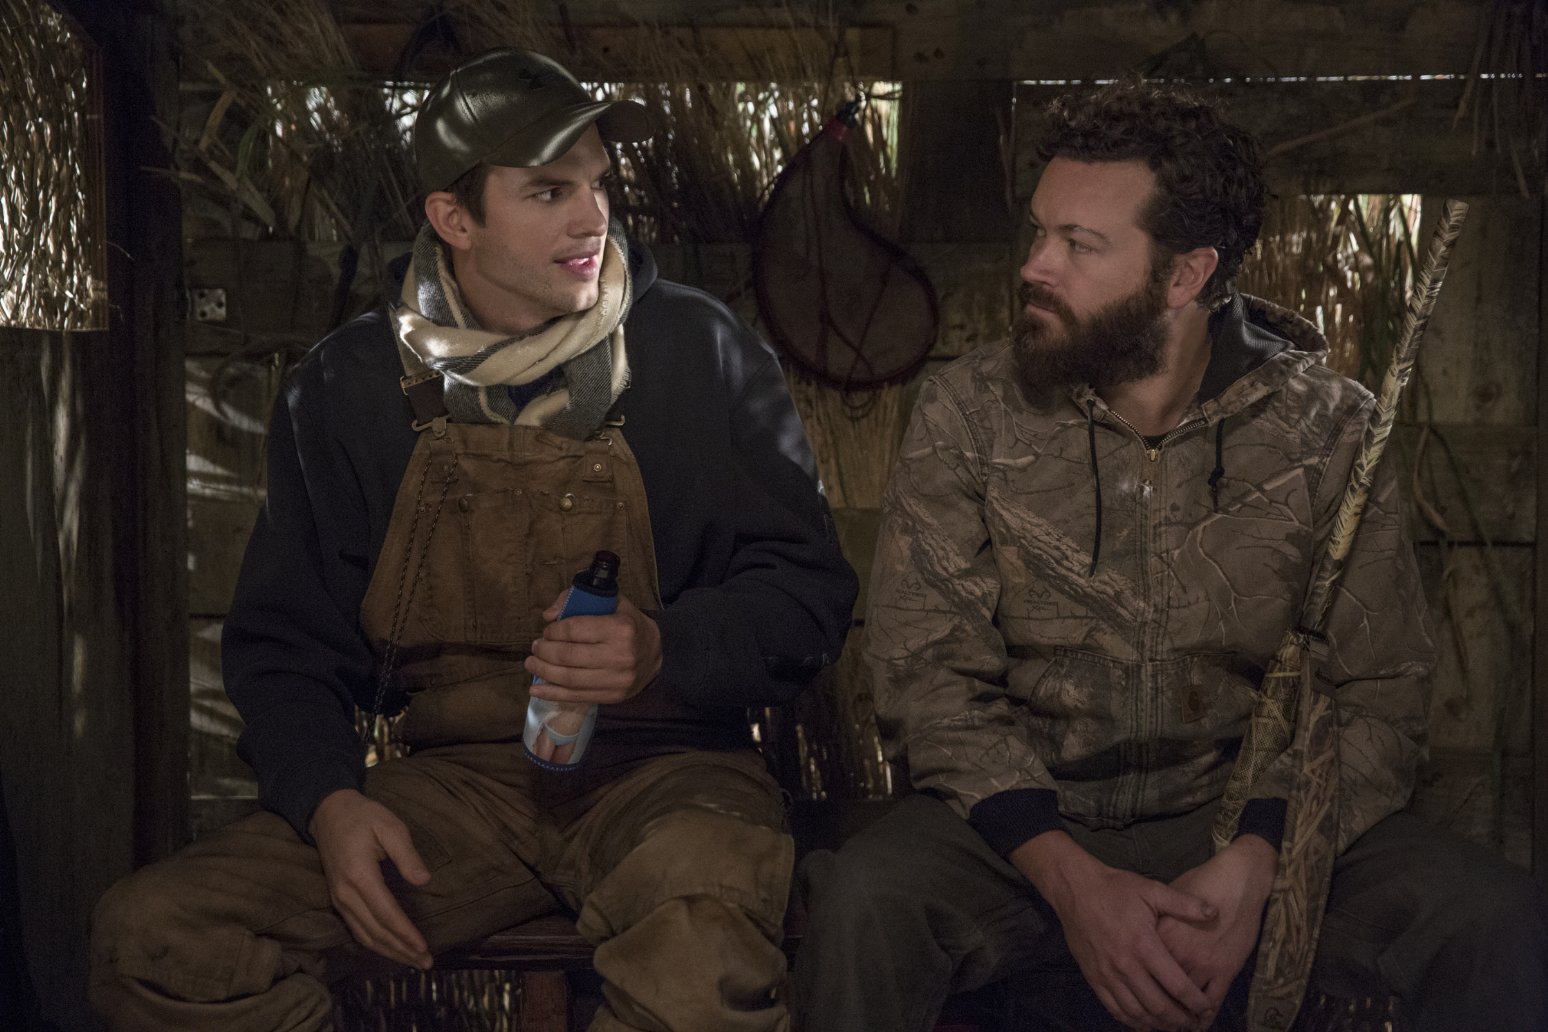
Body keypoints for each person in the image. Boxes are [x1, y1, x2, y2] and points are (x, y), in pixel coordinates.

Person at [90, 48, 856, 1032]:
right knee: (155, 937)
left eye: (597, 184)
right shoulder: (348, 386)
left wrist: (668, 645)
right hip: (453, 787)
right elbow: (285, 649)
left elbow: (809, 594)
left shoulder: (702, 351)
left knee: (704, 953)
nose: (592, 218)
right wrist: (329, 802)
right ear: (454, 219)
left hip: (672, 777)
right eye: (548, 191)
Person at [790, 81, 1548, 1032]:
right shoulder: (971, 413)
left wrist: (1261, 858)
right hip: (1022, 827)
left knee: (1493, 921)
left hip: (1242, 820)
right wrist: (1072, 882)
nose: (1035, 265)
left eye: (1079, 244)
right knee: (862, 901)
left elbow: (1381, 692)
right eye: (1039, 232)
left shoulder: (1328, 432)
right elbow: (926, 675)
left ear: (1187, 275)